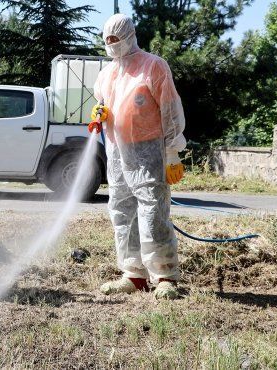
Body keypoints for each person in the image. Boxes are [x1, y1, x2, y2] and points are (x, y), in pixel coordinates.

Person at [89, 14, 187, 299]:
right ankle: (133, 274)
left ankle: (165, 275)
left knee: (153, 210)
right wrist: (100, 113)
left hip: (149, 152)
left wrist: (171, 152)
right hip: (117, 151)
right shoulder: (106, 74)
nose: (111, 45)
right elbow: (104, 103)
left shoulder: (153, 66)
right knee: (121, 210)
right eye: (107, 40)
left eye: (115, 39)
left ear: (130, 36)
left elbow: (170, 110)